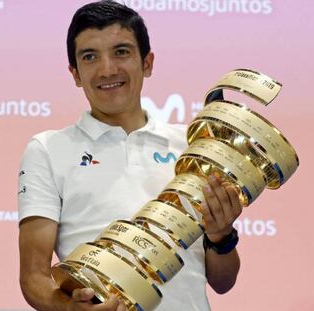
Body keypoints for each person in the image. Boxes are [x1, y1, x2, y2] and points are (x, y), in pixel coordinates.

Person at [18, 1, 242, 310]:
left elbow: (223, 282)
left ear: (147, 63)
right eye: (90, 57)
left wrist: (222, 237)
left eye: (121, 52)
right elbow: (33, 277)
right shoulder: (47, 149)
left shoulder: (191, 144)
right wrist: (69, 307)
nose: (107, 69)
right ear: (75, 73)